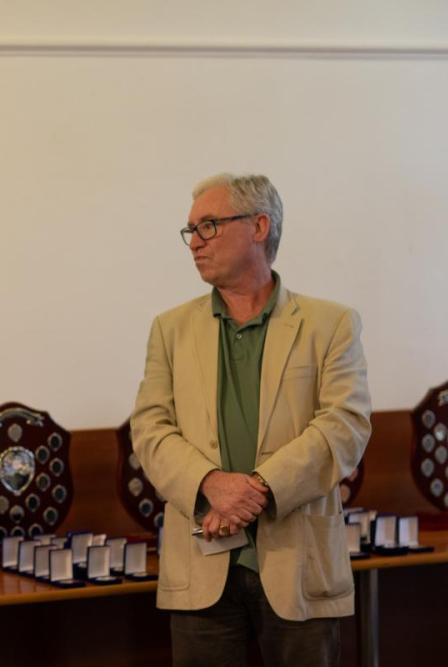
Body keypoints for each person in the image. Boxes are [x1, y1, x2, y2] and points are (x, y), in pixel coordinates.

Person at [130, 173, 371, 666]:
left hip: (299, 566)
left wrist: (255, 489)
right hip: (202, 567)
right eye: (190, 230)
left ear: (259, 226)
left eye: (209, 226)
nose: (194, 242)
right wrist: (211, 483)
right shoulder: (170, 329)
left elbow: (344, 426)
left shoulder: (331, 324)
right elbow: (151, 428)